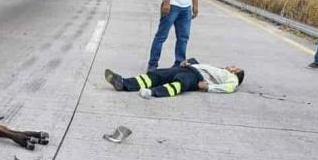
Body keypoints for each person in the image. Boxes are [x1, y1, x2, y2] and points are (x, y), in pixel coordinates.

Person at [105, 59, 245, 99]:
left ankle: (152, 92)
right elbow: (201, 65)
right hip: (188, 68)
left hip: (196, 78)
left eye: (235, 68)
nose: (232, 66)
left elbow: (229, 88)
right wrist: (188, 62)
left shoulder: (233, 79)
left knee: (180, 83)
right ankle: (123, 83)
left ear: (237, 73)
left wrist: (209, 87)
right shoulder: (219, 69)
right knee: (157, 74)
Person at [148, 0, 200, 71]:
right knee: (161, 36)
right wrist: (167, 2)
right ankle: (152, 64)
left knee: (183, 38)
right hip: (172, 5)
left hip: (186, 7)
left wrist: (195, 4)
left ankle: (179, 64)